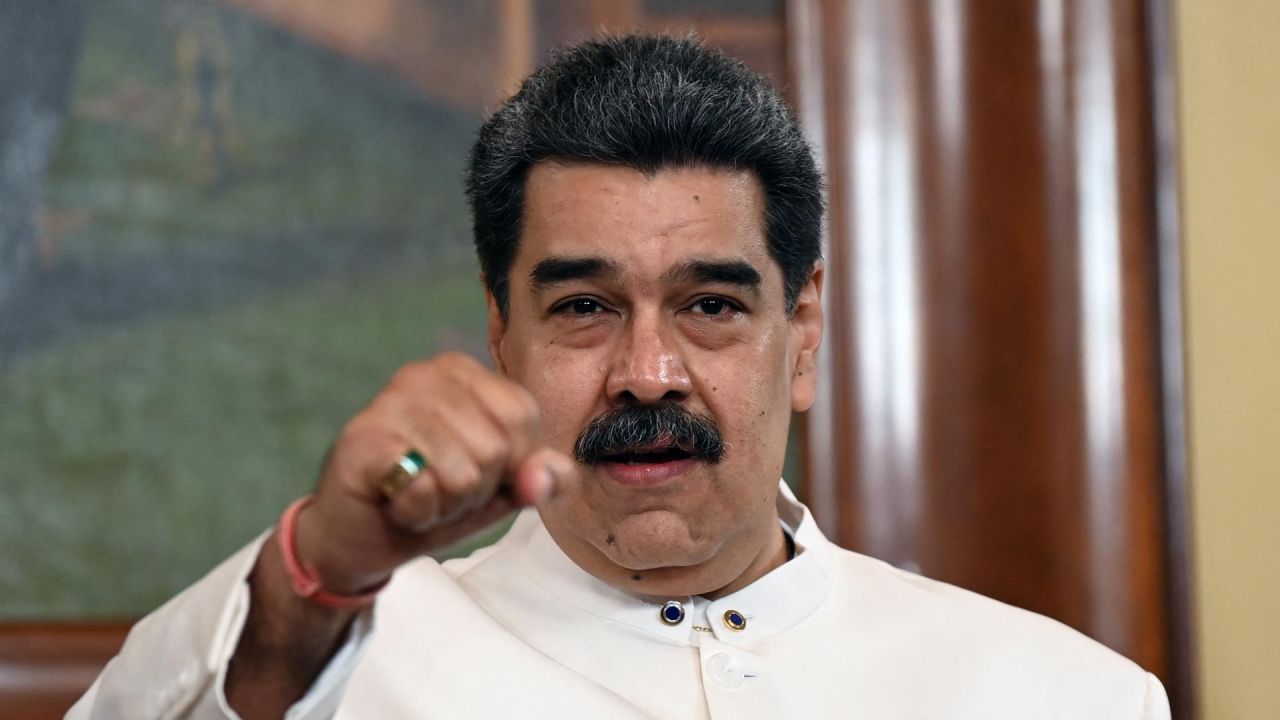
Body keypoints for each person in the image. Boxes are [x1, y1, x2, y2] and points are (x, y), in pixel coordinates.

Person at [70, 35, 1170, 719]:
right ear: (501, 334)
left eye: (709, 306)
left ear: (802, 331)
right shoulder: (339, 668)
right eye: (585, 308)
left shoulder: (1057, 696)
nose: (648, 374)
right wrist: (317, 574)